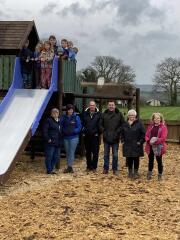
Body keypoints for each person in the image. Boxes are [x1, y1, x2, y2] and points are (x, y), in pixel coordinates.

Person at [99, 100, 125, 174]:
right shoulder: (104, 114)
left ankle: (115, 169)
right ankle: (105, 168)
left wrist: (118, 131)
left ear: (115, 106)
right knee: (106, 154)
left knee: (115, 155)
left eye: (112, 105)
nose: (111, 106)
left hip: (115, 137)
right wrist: (104, 131)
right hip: (106, 137)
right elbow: (100, 125)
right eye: (110, 105)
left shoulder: (119, 114)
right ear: (108, 106)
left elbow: (123, 124)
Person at [121, 109, 145, 179]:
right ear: (128, 116)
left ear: (135, 116)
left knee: (136, 158)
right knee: (129, 158)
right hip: (127, 144)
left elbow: (143, 134)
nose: (132, 116)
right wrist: (122, 139)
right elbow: (122, 133)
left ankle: (136, 172)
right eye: (130, 115)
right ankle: (130, 172)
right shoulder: (125, 124)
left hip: (136, 144)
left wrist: (140, 142)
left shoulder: (139, 124)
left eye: (133, 115)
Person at [145, 112, 168, 181]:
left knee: (159, 161)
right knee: (150, 160)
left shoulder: (163, 127)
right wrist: (148, 141)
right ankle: (149, 173)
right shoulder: (150, 126)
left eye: (158, 118)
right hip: (150, 146)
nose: (156, 119)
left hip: (158, 147)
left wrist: (155, 141)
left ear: (161, 119)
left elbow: (163, 138)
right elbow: (146, 135)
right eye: (155, 118)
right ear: (153, 119)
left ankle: (160, 175)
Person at [60, 104, 82, 173]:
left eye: (71, 110)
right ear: (67, 110)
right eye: (69, 110)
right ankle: (69, 167)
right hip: (66, 137)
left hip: (74, 138)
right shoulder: (63, 117)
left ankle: (70, 167)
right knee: (67, 152)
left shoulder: (76, 117)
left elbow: (79, 127)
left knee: (71, 152)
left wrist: (73, 131)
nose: (70, 111)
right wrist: (64, 131)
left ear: (73, 110)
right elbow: (61, 126)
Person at [82, 100, 101, 172]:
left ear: (95, 106)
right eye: (91, 105)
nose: (92, 106)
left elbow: (100, 125)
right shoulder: (85, 113)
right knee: (88, 152)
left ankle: (94, 167)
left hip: (95, 136)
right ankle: (88, 166)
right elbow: (82, 124)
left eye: (93, 105)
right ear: (89, 106)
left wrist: (98, 133)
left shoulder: (98, 114)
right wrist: (83, 132)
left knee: (95, 152)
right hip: (87, 136)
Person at [43, 108, 62, 174]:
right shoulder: (48, 120)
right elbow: (45, 131)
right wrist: (48, 139)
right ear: (51, 113)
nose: (56, 113)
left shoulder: (59, 121)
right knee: (49, 156)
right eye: (54, 112)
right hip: (50, 142)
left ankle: (51, 168)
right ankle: (49, 170)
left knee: (56, 156)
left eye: (57, 112)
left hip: (58, 142)